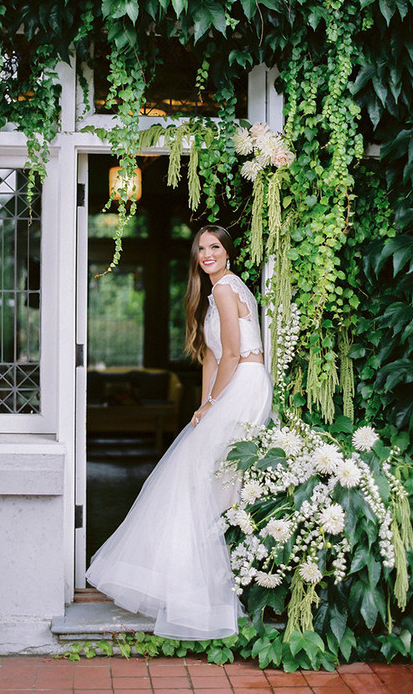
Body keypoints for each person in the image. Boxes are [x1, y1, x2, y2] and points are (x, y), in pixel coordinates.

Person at [86, 225, 273, 640]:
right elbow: (210, 355)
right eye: (201, 248)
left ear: (227, 253)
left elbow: (233, 353)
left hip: (243, 381)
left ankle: (196, 595)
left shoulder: (225, 288)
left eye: (214, 247)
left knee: (193, 479)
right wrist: (202, 403)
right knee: (197, 481)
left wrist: (212, 403)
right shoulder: (217, 292)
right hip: (237, 380)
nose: (207, 254)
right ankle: (185, 586)